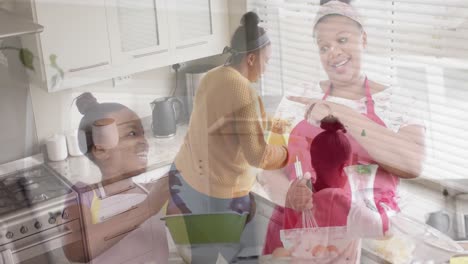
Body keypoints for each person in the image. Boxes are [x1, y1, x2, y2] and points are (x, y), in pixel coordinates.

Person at [263, 0, 426, 258]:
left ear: (364, 38)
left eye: (342, 40)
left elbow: (411, 163)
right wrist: (293, 198)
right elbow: (269, 168)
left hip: (373, 245)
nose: (333, 52)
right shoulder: (296, 98)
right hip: (299, 240)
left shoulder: (399, 103)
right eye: (324, 47)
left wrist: (340, 112)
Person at [166, 11, 289, 263]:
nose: (266, 69)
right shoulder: (244, 91)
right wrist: (286, 153)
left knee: (204, 257)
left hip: (185, 181)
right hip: (216, 196)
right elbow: (258, 155)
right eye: (266, 61)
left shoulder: (213, 75)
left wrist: (270, 123)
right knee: (247, 257)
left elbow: (223, 123)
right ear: (252, 59)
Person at [62, 92, 169, 264]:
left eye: (143, 133)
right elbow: (76, 251)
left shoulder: (150, 189)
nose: (144, 141)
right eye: (132, 134)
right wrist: (148, 207)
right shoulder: (83, 194)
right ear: (100, 150)